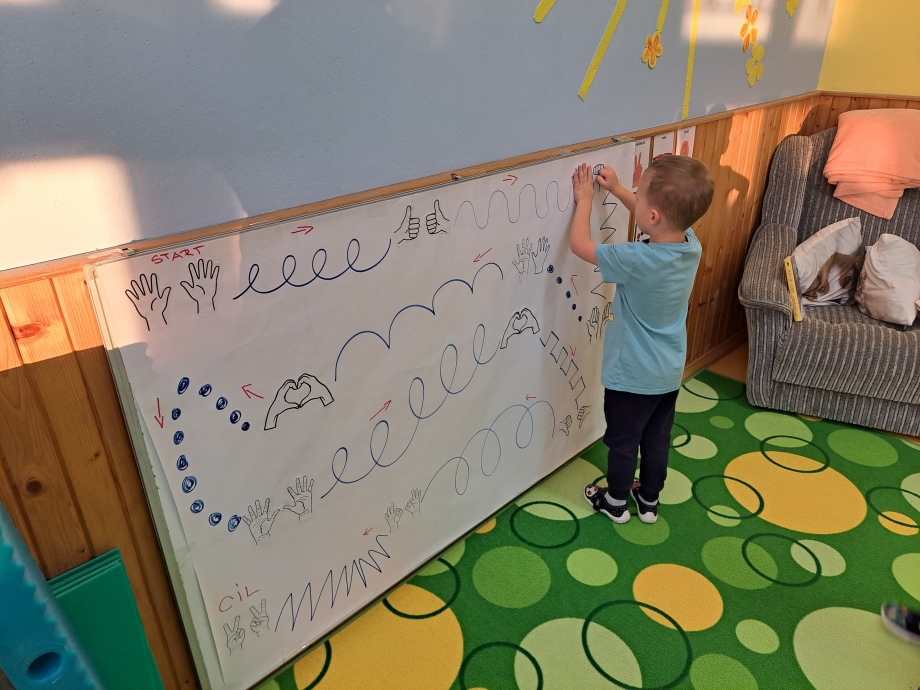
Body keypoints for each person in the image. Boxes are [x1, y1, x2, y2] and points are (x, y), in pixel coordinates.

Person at [569, 156, 713, 524]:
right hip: (667, 374)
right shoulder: (691, 246)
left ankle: (615, 501)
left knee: (622, 441)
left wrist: (585, 199)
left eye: (640, 194)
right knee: (655, 440)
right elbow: (656, 217)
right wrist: (618, 190)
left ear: (652, 215)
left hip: (630, 376)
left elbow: (580, 245)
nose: (637, 198)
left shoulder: (634, 258)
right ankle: (648, 500)